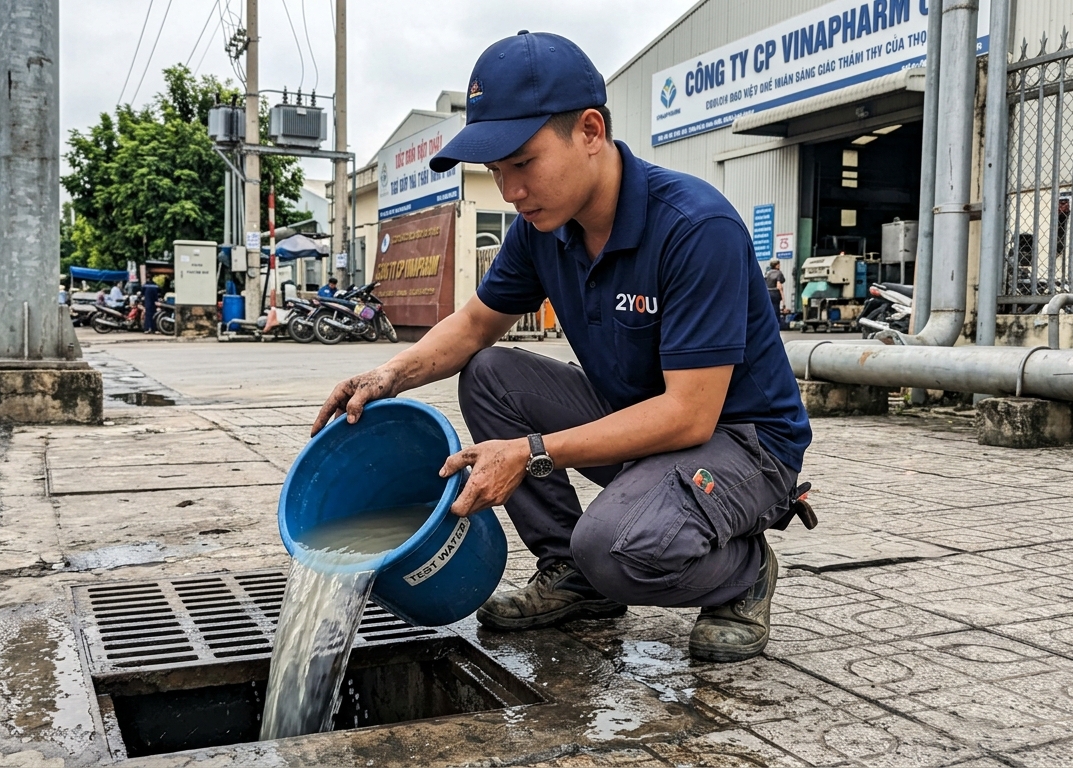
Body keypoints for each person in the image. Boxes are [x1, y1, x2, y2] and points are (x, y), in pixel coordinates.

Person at [312, 31, 812, 663]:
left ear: (591, 130)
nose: (511, 190)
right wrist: (387, 375)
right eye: (497, 173)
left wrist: (532, 452)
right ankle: (572, 577)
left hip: (742, 443)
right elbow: (472, 328)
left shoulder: (694, 227)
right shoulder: (541, 230)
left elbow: (690, 414)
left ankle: (742, 572)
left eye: (523, 163)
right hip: (640, 423)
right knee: (490, 372)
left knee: (614, 545)